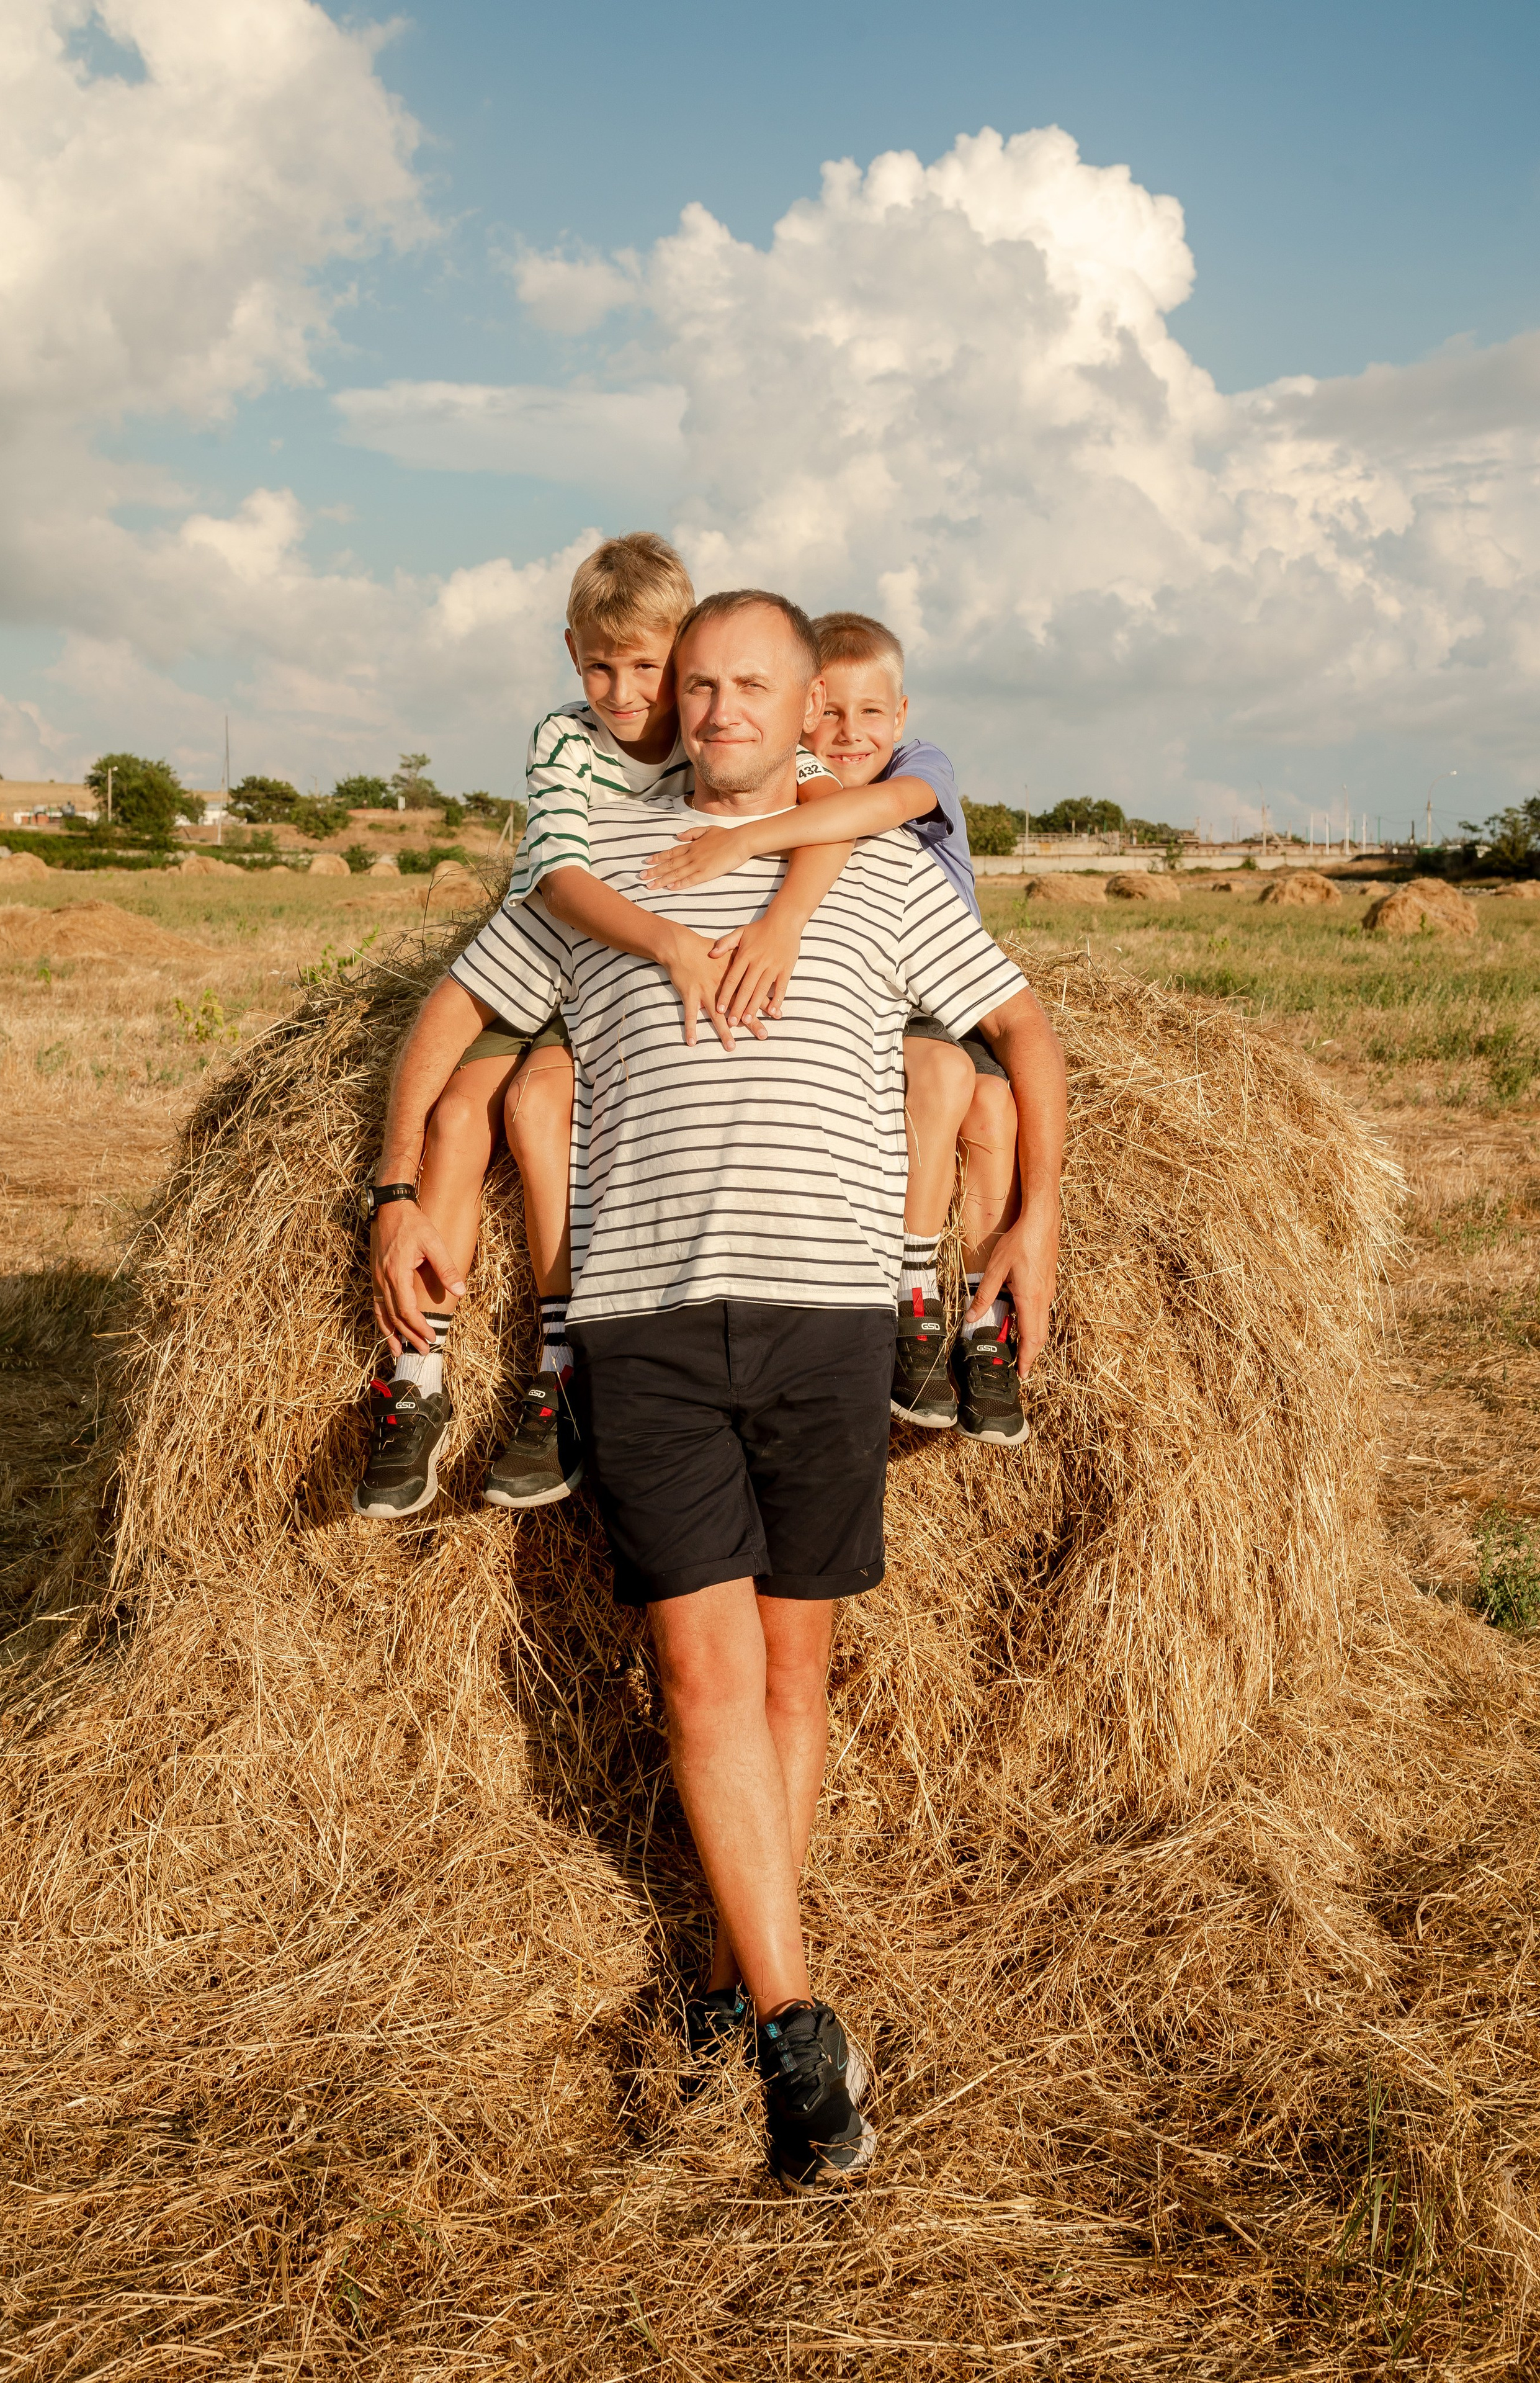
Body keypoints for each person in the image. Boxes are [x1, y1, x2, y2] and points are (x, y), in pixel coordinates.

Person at [364, 590, 1067, 2194]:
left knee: (795, 1677)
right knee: (701, 1677)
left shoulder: (875, 866)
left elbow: (1021, 1028)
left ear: (808, 699)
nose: (719, 707)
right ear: (669, 699)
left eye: (753, 684)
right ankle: (798, 2019)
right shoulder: (598, 865)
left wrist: (1036, 1213)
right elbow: (454, 1011)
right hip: (646, 1321)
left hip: (828, 1321)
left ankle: (745, 1980)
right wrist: (399, 1194)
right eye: (697, 684)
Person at [352, 531, 852, 1522]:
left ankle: (560, 1360)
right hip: (561, 936)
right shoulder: (567, 742)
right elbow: (559, 879)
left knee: (543, 1104)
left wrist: (779, 899)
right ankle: (416, 1376)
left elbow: (852, 805)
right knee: (460, 1117)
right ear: (570, 654)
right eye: (599, 666)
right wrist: (669, 941)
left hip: (600, 992)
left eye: (650, 669)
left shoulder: (730, 737)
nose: (626, 694)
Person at [642, 609, 1021, 1441]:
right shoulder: (793, 764)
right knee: (947, 1084)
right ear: (805, 705)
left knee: (987, 1106)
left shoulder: (920, 769)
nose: (851, 732)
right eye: (831, 712)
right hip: (881, 1001)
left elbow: (866, 814)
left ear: (903, 714)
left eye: (872, 712)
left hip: (943, 991)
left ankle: (978, 1320)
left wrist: (745, 844)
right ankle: (913, 1297)